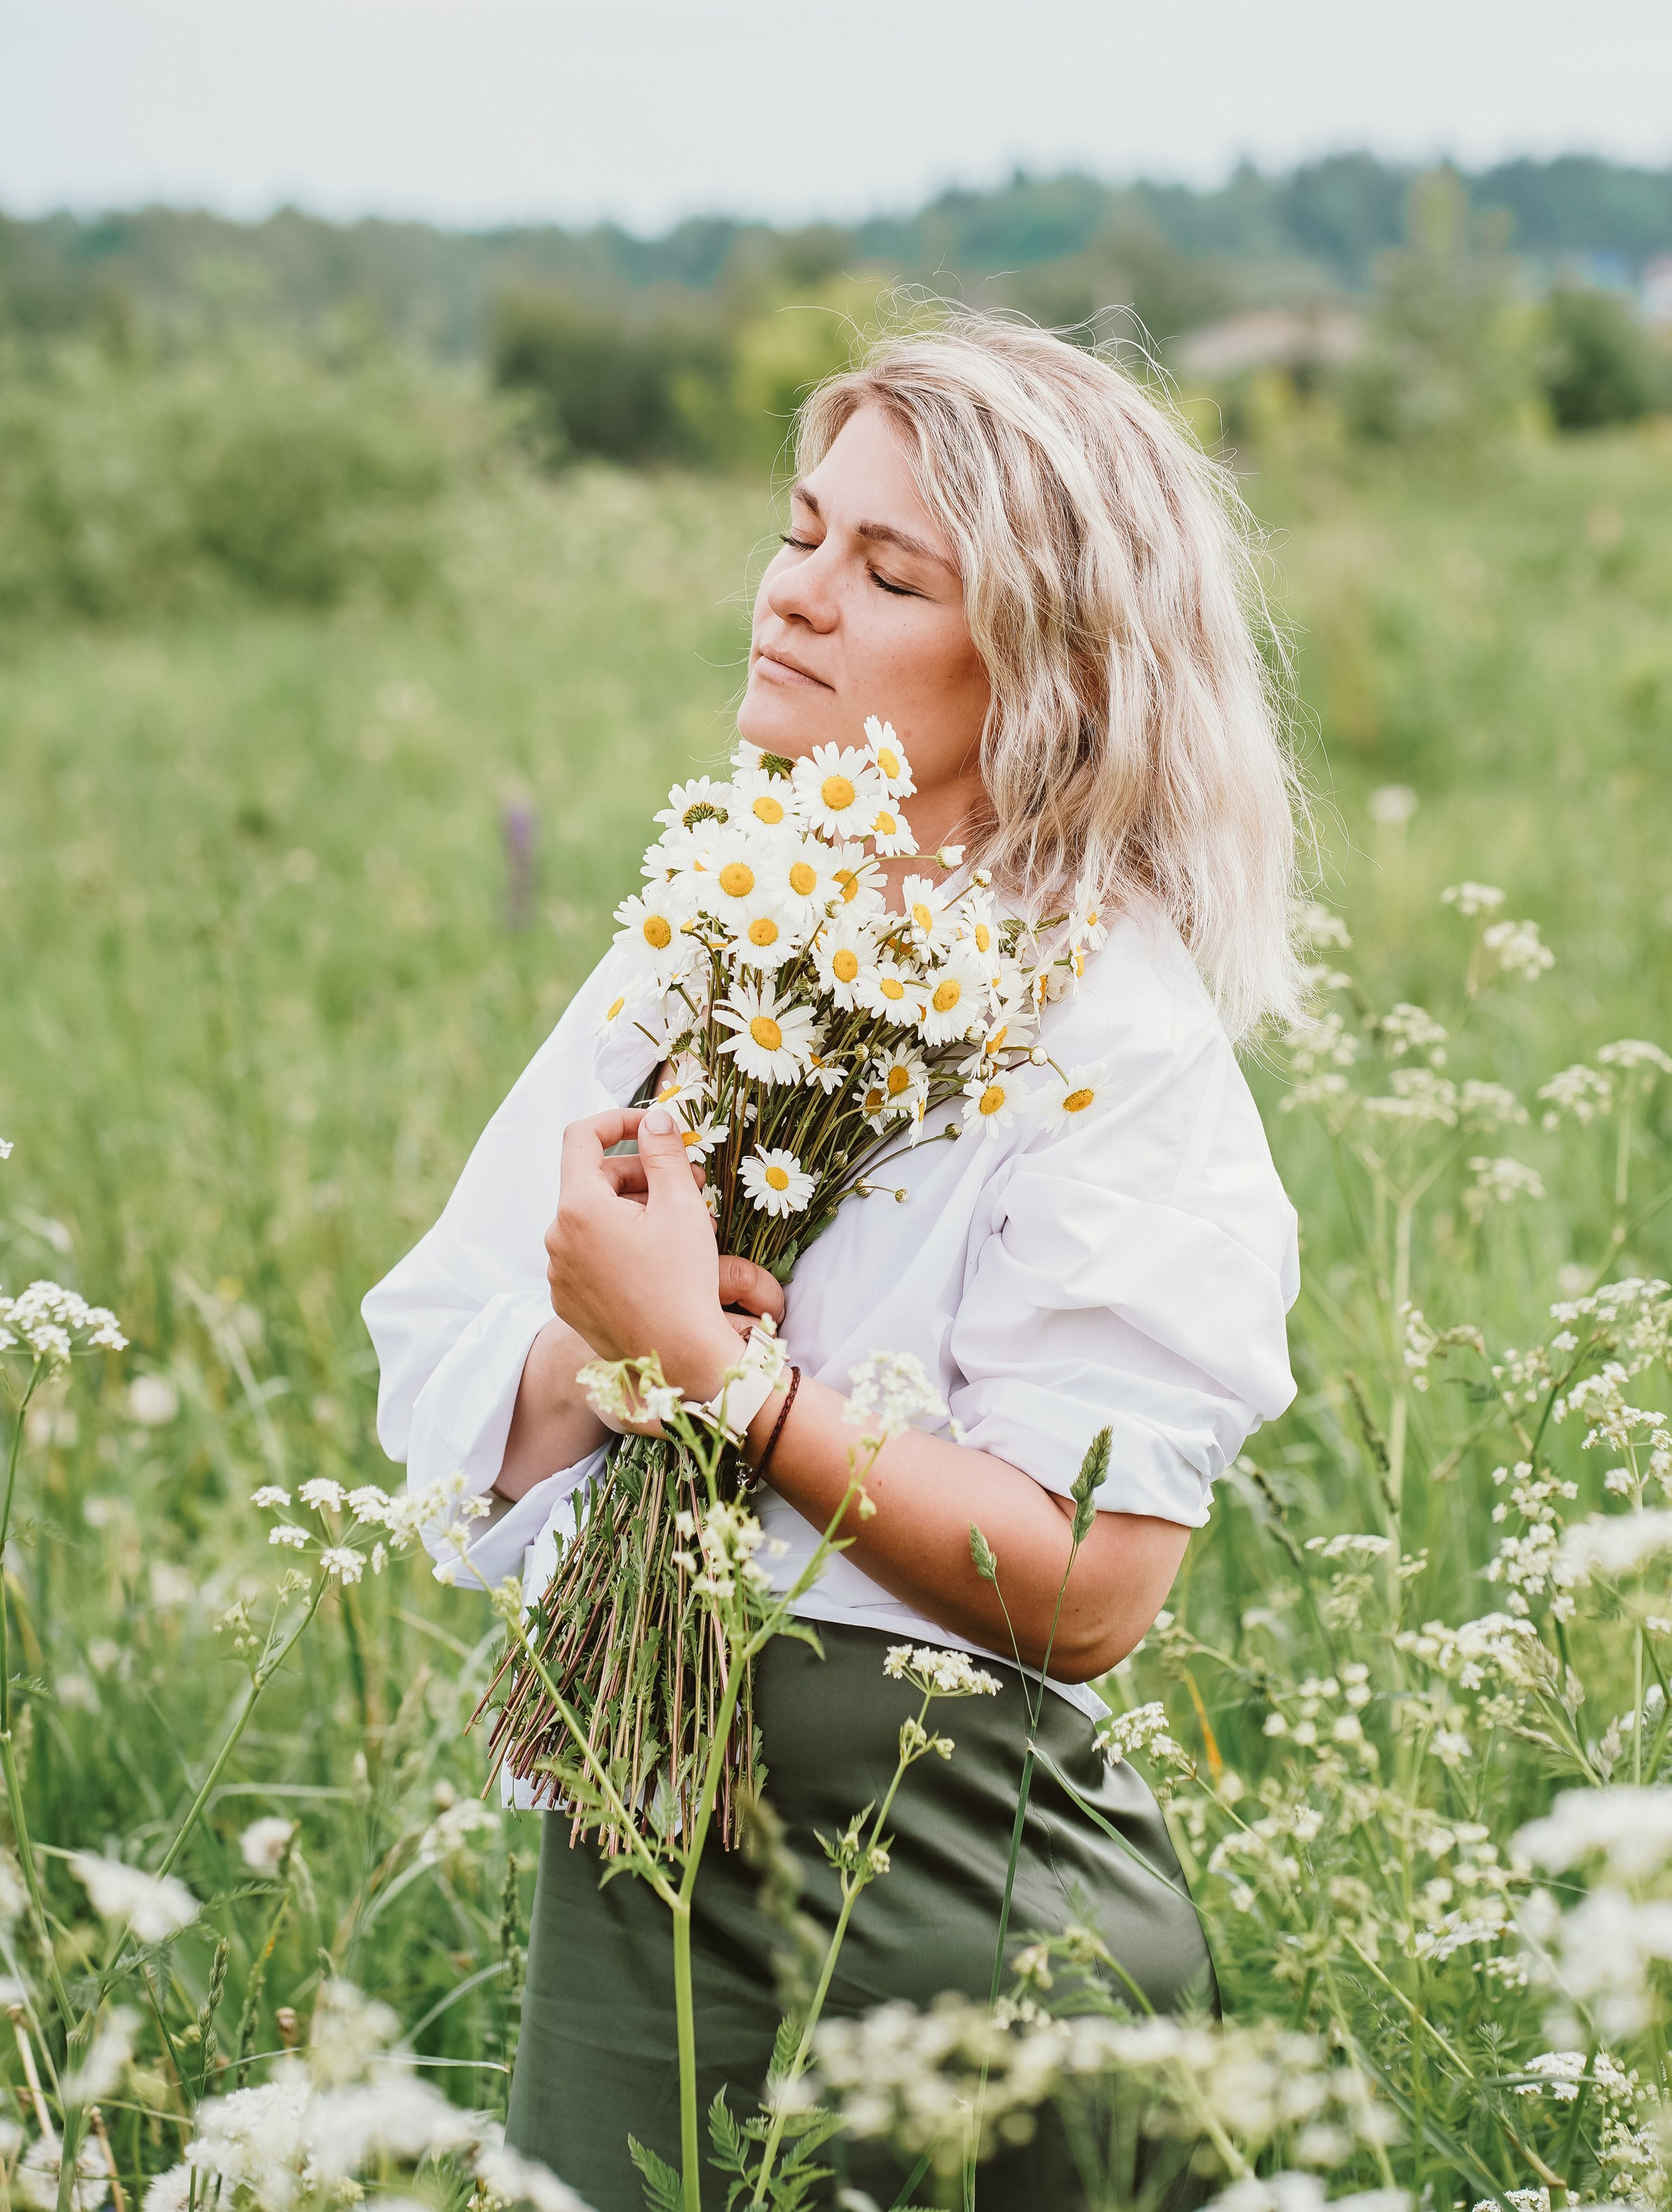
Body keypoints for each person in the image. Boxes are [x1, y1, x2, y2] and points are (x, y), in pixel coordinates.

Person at [364, 315, 1303, 2211]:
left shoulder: (1112, 1029)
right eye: (802, 532)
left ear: (1049, 659)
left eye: (886, 572)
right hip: (631, 1837)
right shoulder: (708, 928)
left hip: (949, 1912)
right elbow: (445, 1356)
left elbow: (1099, 1590)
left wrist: (730, 1389)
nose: (795, 596)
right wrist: (595, 1354)